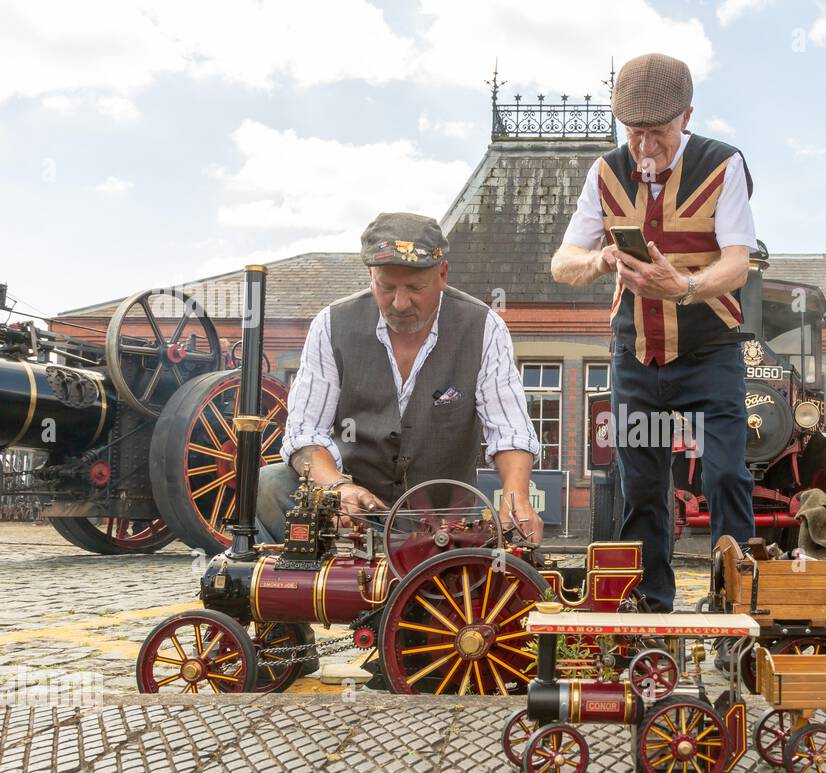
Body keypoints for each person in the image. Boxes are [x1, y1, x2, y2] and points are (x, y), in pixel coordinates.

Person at [551, 52, 757, 612]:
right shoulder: (605, 171)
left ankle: (731, 604)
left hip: (708, 353)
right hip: (638, 359)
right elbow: (562, 261)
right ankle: (652, 602)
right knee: (641, 486)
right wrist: (598, 263)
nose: (644, 148)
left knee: (726, 477)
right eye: (635, 133)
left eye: (658, 134)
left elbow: (738, 262)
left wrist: (685, 288)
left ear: (686, 116)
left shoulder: (723, 165)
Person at [258, 212, 542, 542]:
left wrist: (516, 496)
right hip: (352, 519)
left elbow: (510, 431)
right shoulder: (331, 325)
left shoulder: (484, 328)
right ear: (370, 276)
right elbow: (305, 433)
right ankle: (296, 588)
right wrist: (338, 487)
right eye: (387, 287)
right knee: (270, 484)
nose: (400, 303)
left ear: (443, 275)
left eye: (415, 288)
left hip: (441, 528)